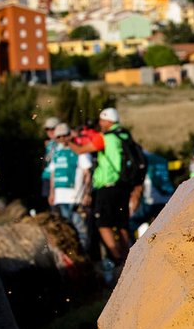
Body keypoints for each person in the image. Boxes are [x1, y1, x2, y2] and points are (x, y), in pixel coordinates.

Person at [73, 107, 134, 267]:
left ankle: (119, 260)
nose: (100, 123)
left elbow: (80, 150)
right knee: (122, 225)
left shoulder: (105, 138)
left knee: (103, 224)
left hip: (107, 187)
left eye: (102, 120)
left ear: (108, 121)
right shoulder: (124, 135)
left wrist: (69, 142)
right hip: (124, 185)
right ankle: (130, 258)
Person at [49, 123, 92, 251]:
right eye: (59, 137)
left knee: (80, 229)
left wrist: (87, 193)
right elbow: (53, 174)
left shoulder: (80, 151)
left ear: (69, 136)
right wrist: (52, 193)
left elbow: (87, 174)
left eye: (65, 136)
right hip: (60, 197)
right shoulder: (55, 153)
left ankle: (83, 256)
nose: (62, 139)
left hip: (75, 197)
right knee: (64, 229)